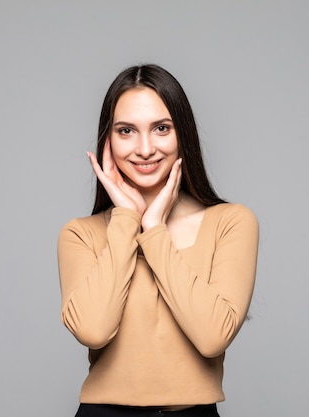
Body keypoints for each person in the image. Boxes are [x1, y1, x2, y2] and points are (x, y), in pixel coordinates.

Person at [57, 64, 259, 417]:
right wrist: (126, 221)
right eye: (126, 131)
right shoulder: (80, 234)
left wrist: (153, 230)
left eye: (161, 128)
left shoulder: (231, 223)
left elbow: (213, 337)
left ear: (182, 134)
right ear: (108, 141)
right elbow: (93, 329)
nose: (145, 148)